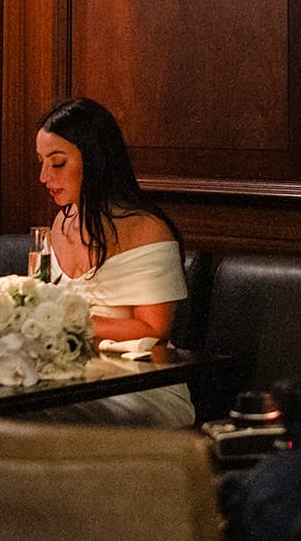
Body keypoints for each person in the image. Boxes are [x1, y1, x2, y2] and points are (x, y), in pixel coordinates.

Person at [33, 96, 195, 427]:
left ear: (93, 159)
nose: (43, 176)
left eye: (57, 163)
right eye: (41, 162)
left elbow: (155, 330)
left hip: (142, 385)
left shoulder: (147, 229)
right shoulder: (60, 224)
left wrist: (63, 324)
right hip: (75, 378)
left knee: (32, 413)